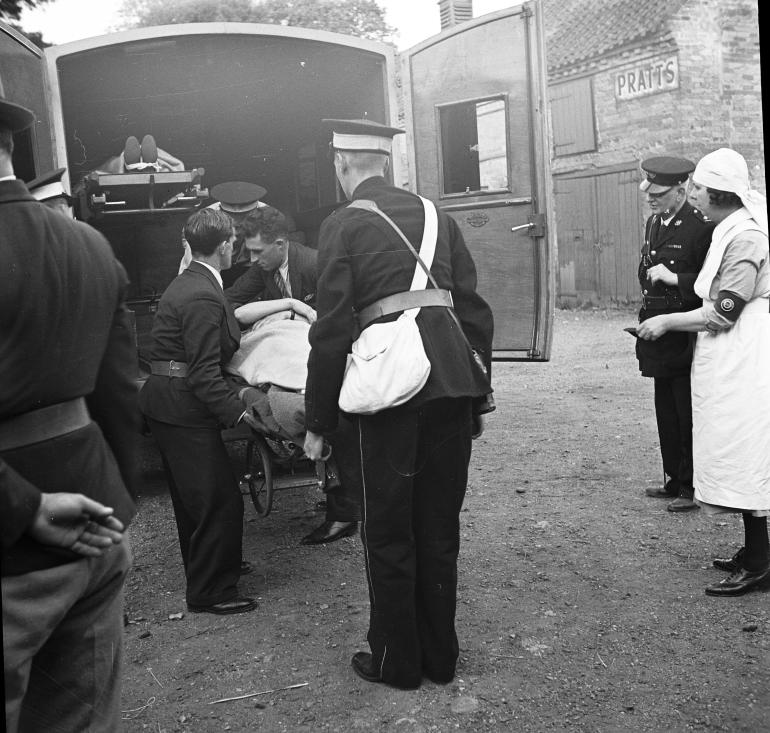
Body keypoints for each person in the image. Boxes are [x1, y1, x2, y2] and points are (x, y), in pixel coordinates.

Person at [303, 118, 494, 689]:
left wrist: (318, 420)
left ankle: (396, 661)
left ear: (342, 166)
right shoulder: (439, 217)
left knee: (388, 530)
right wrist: (477, 396)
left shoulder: (343, 223)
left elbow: (333, 328)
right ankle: (441, 657)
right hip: (451, 386)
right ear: (384, 162)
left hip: (387, 391)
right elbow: (474, 312)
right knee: (438, 527)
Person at [1, 89, 139, 732]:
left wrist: (24, 507)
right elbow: (117, 392)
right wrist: (116, 502)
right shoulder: (89, 244)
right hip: (94, 519)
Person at [638, 147, 769, 596]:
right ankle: (755, 552)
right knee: (736, 449)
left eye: (696, 187)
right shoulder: (730, 230)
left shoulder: (745, 238)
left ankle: (759, 563)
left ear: (717, 195)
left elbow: (725, 310)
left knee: (748, 451)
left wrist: (667, 321)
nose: (689, 190)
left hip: (746, 355)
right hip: (731, 355)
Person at [139, 208, 258, 615]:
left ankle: (212, 567)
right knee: (218, 499)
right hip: (181, 406)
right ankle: (210, 591)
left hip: (168, 403)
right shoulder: (203, 294)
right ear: (225, 246)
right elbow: (205, 375)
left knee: (195, 498)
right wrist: (240, 413)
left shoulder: (191, 282)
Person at [227, 205, 360, 545]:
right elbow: (228, 305)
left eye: (258, 251)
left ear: (281, 244)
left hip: (334, 353)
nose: (252, 259)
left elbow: (350, 312)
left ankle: (343, 515)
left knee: (334, 420)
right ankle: (336, 491)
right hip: (301, 357)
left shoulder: (316, 264)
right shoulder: (264, 269)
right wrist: (290, 306)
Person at [635, 156, 713, 512]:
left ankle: (690, 486)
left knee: (686, 411)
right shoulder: (655, 222)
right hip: (657, 328)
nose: (651, 198)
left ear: (681, 191)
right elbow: (647, 268)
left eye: (659, 193)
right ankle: (672, 479)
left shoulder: (700, 228)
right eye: (649, 191)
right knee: (665, 407)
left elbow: (712, 286)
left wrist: (675, 279)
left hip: (685, 329)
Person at [178, 180, 268, 286]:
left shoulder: (269, 218)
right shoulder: (204, 222)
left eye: (244, 216)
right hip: (218, 266)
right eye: (232, 216)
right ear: (221, 210)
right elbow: (192, 267)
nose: (238, 223)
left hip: (251, 270)